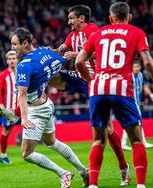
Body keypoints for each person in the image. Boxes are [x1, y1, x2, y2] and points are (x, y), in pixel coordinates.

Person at [50, 5, 130, 186]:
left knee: (108, 130)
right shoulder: (71, 36)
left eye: (71, 18)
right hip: (79, 78)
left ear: (81, 19)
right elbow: (60, 50)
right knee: (48, 77)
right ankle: (37, 108)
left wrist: (75, 55)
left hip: (96, 80)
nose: (69, 21)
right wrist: (46, 52)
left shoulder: (94, 31)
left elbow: (98, 51)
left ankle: (124, 167)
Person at [75, 2, 153, 187]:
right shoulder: (137, 32)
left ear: (110, 18)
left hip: (98, 87)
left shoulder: (97, 33)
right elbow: (148, 63)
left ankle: (93, 185)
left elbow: (79, 61)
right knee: (136, 140)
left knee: (98, 140)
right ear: (129, 17)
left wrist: (91, 80)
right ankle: (141, 185)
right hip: (121, 87)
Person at [10, 27, 89, 188]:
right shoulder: (44, 53)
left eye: (15, 44)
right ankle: (83, 170)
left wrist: (23, 118)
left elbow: (22, 95)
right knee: (51, 142)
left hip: (36, 111)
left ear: (25, 43)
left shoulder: (24, 65)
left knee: (27, 154)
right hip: (46, 104)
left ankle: (63, 173)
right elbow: (60, 60)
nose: (13, 48)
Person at [122, 61, 153, 150]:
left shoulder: (140, 75)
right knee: (138, 120)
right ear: (131, 68)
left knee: (131, 121)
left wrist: (150, 95)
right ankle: (143, 142)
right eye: (134, 66)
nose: (136, 68)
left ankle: (123, 144)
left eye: (137, 66)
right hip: (130, 102)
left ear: (140, 67)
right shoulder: (128, 76)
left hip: (137, 102)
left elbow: (144, 86)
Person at [0, 50, 19, 164]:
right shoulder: (3, 74)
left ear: (17, 59)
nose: (12, 61)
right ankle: (3, 155)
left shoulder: (22, 72)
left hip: (23, 108)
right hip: (9, 109)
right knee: (6, 131)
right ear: (6, 61)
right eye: (9, 59)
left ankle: (29, 152)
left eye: (14, 58)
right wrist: (0, 104)